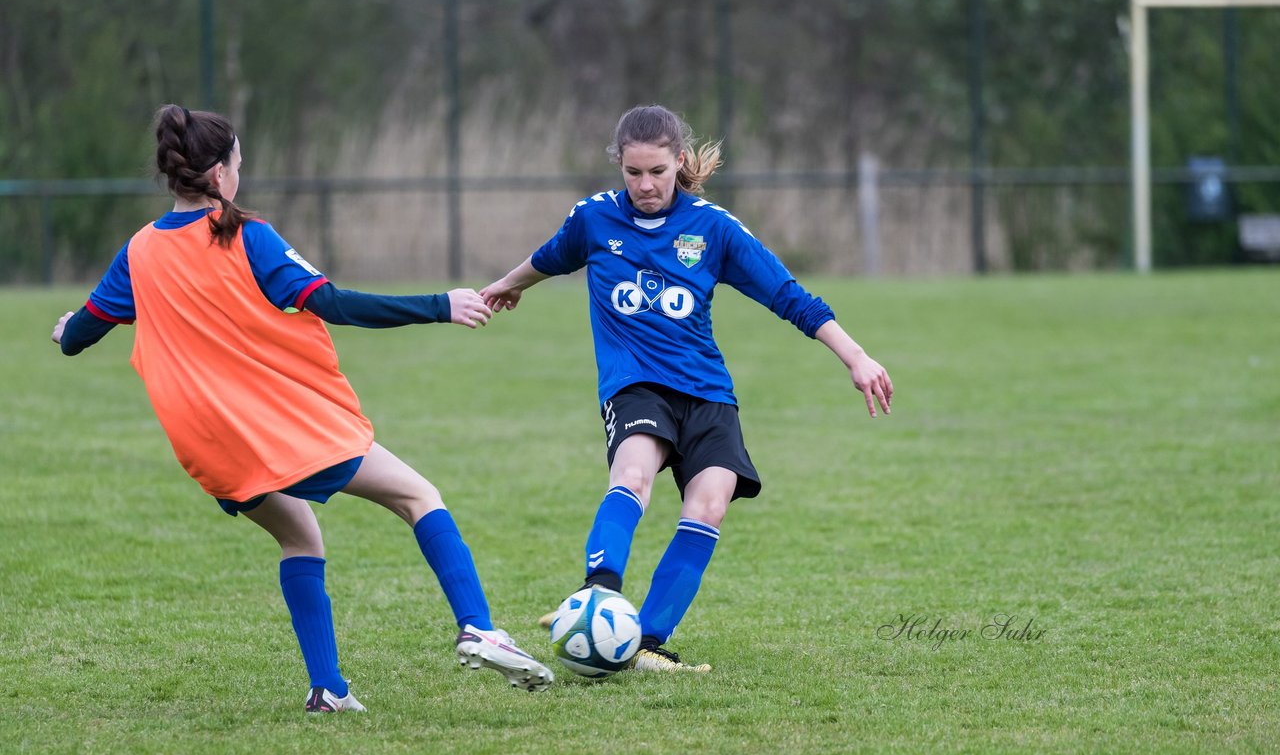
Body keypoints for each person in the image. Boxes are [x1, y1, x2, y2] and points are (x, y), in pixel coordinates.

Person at [51, 104, 553, 711]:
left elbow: (81, 336)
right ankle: (478, 626)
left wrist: (65, 330)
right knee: (418, 496)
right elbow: (334, 303)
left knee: (300, 537)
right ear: (221, 175)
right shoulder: (246, 236)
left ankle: (329, 691)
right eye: (238, 162)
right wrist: (439, 304)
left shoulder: (138, 252)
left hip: (207, 444)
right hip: (280, 426)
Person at [480, 104, 893, 673]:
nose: (645, 185)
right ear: (619, 166)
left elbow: (790, 296)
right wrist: (506, 286)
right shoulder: (594, 219)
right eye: (633, 173)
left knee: (709, 505)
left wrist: (856, 356)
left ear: (679, 161)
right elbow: (548, 258)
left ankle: (645, 642)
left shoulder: (714, 228)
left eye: (657, 172)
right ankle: (597, 596)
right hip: (635, 385)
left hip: (706, 390)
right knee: (632, 475)